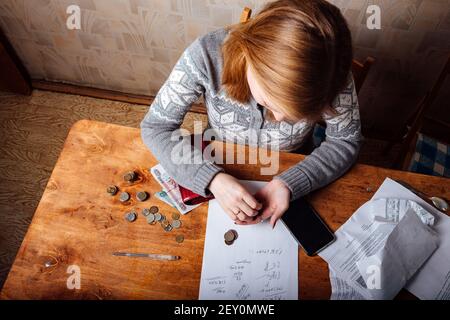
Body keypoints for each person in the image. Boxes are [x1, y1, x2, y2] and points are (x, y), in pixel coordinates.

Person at [141, 0, 362, 228]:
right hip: (216, 154)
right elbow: (156, 127)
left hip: (292, 161)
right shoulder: (205, 55)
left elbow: (345, 140)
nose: (278, 120)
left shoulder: (334, 76)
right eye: (269, 102)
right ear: (250, 60)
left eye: (297, 114)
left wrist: (291, 183)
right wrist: (211, 179)